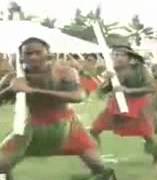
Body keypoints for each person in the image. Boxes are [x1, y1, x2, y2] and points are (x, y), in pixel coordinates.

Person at [0, 37, 116, 180]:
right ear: (21, 58)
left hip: (67, 126)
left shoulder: (64, 72)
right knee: (2, 166)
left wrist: (33, 90)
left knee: (99, 167)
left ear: (48, 54)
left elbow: (77, 96)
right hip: (28, 127)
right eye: (28, 54)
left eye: (38, 52)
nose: (33, 57)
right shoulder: (13, 78)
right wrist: (10, 90)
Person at [90, 45, 157, 164]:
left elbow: (151, 87)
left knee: (148, 134)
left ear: (130, 57)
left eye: (121, 54)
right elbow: (103, 91)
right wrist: (107, 80)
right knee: (94, 130)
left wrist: (128, 90)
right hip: (116, 104)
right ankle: (94, 159)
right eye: (115, 54)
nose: (117, 57)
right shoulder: (112, 70)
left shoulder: (140, 69)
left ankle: (156, 157)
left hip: (139, 104)